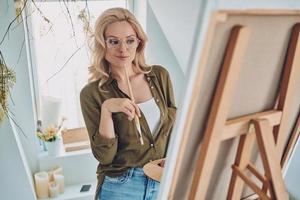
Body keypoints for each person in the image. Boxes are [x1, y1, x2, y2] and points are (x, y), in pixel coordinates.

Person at [80, 7, 177, 200]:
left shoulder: (159, 76)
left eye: (129, 40)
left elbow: (175, 128)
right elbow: (104, 157)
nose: (123, 49)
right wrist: (107, 109)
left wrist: (174, 159)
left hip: (162, 182)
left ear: (139, 42)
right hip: (121, 186)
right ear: (103, 44)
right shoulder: (91, 94)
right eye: (113, 41)